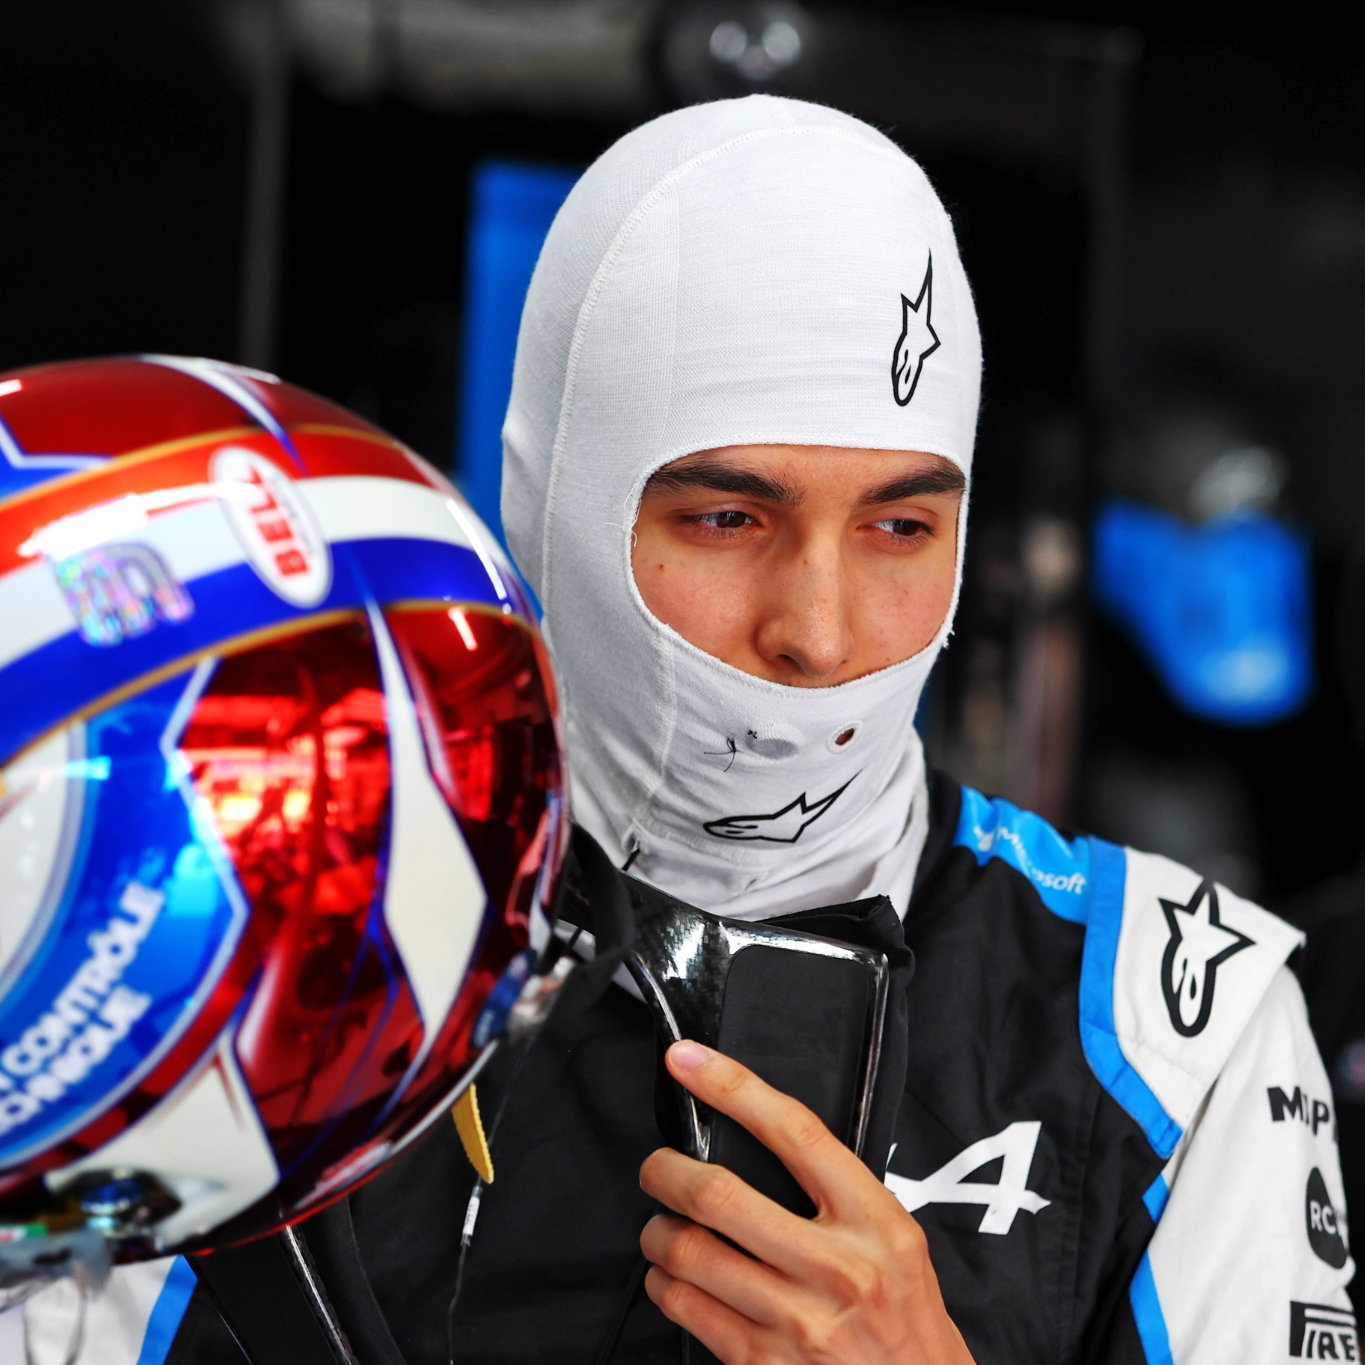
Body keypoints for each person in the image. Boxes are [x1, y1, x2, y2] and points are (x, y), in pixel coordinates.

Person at [14, 94, 1354, 1364]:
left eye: (900, 526)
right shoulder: (214, 933)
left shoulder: (1175, 1020)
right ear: (558, 503)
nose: (818, 631)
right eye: (726, 518)